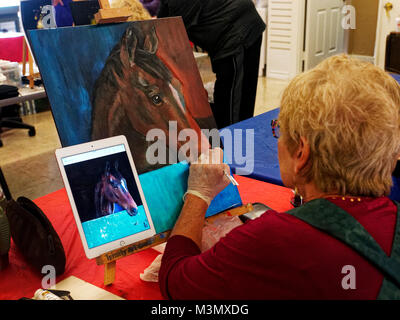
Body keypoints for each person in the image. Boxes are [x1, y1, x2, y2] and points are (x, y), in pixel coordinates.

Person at [158, 55, 400, 299]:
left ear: (302, 153)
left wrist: (198, 194)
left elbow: (177, 283)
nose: (278, 138)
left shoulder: (277, 240)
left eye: (279, 128)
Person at [157, 0, 266, 129]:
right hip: (244, 23)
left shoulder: (175, 5)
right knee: (240, 96)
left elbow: (166, 36)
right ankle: (239, 140)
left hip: (236, 32)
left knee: (231, 103)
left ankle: (232, 144)